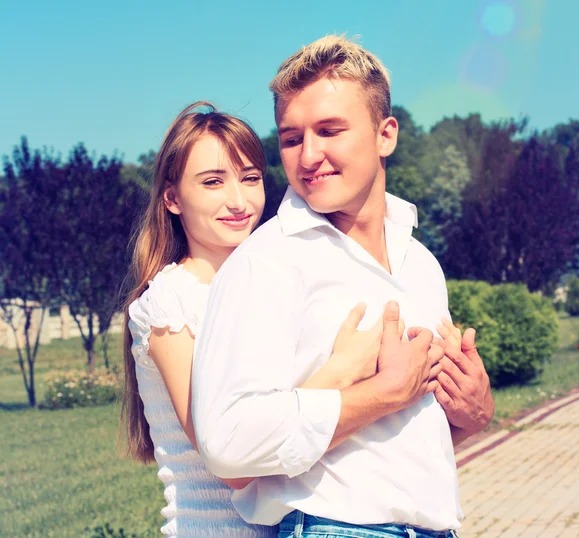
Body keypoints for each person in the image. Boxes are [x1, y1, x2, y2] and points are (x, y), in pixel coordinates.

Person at [191, 36, 494, 538]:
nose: (309, 155)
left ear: (385, 134)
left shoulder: (421, 265)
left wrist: (472, 412)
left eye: (330, 130)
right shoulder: (264, 264)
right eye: (291, 138)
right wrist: (383, 393)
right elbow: (227, 444)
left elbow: (400, 441)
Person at [121, 101, 416, 537]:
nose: (238, 201)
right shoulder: (172, 303)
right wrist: (342, 371)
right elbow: (232, 463)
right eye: (213, 182)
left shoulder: (270, 286)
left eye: (250, 178)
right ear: (172, 198)